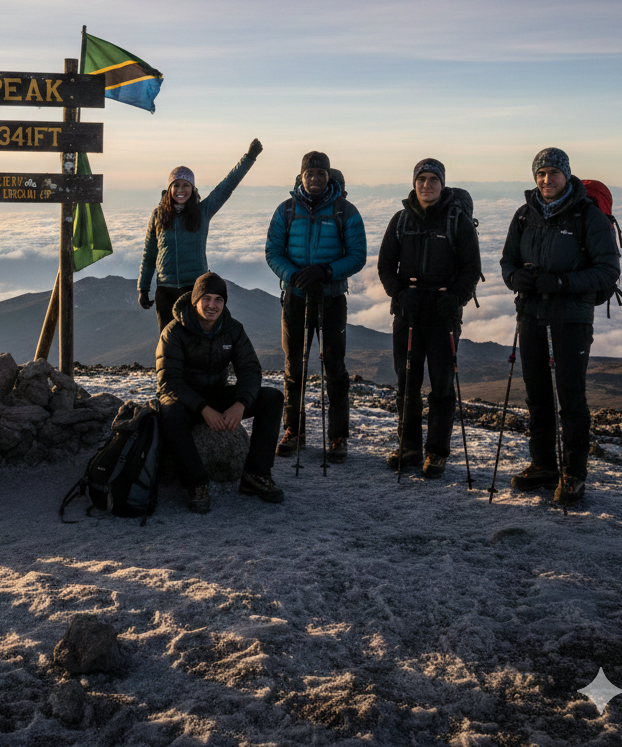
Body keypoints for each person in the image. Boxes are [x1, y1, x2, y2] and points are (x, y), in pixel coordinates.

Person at [500, 148, 620, 505]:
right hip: (531, 315)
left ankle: (574, 473)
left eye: (553, 173)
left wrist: (562, 283)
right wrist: (515, 277)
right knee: (537, 395)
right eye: (541, 173)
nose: (546, 179)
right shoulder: (525, 215)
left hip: (570, 319)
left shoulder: (588, 216)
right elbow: (507, 259)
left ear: (566, 175)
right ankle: (543, 466)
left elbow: (608, 272)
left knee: (570, 397)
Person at [377, 159, 482, 477]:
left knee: (441, 385)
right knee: (406, 382)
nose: (426, 185)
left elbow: (470, 269)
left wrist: (455, 300)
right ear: (414, 183)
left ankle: (436, 453)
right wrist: (399, 293)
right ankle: (409, 448)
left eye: (432, 179)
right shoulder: (401, 220)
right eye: (421, 179)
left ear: (442, 183)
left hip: (442, 313)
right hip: (408, 311)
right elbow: (385, 266)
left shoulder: (457, 222)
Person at [265, 151, 367, 461]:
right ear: (301, 176)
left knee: (334, 368)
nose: (315, 178)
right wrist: (294, 276)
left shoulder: (345, 211)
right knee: (294, 366)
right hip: (295, 299)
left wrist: (325, 272)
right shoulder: (285, 210)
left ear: (328, 176)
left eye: (320, 173)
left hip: (331, 299)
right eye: (309, 173)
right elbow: (272, 252)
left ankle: (338, 437)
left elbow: (358, 255)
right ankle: (294, 431)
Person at [156, 272, 285, 514]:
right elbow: (168, 382)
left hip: (216, 393)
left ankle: (255, 475)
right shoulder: (173, 331)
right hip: (184, 399)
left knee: (272, 398)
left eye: (218, 300)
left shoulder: (233, 329)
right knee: (170, 413)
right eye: (206, 298)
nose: (212, 305)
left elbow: (249, 369)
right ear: (195, 300)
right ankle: (196, 483)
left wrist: (241, 404)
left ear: (224, 303)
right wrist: (203, 409)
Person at [138, 140, 262, 333]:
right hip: (165, 288)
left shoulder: (203, 211)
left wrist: (248, 158)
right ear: (169, 188)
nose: (181, 190)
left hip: (194, 289)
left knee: (193, 339)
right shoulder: (158, 215)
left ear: (193, 189)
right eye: (176, 185)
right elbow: (149, 254)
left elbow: (226, 186)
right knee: (167, 339)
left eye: (186, 185)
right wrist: (143, 288)